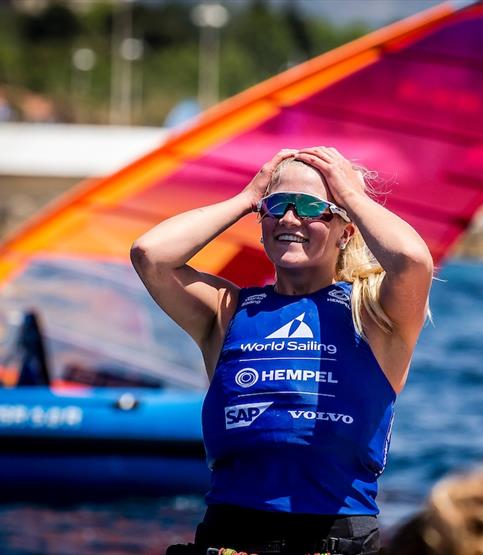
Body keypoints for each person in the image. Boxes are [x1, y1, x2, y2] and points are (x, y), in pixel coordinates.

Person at [131, 147, 433, 555]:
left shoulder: (375, 315)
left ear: (345, 230)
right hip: (232, 532)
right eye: (276, 206)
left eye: (311, 207)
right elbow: (151, 255)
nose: (290, 218)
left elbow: (412, 260)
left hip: (334, 535)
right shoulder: (228, 311)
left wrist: (352, 198)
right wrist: (245, 198)